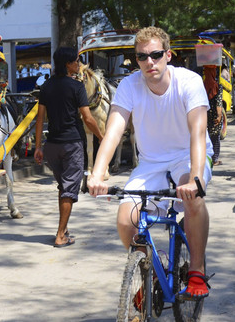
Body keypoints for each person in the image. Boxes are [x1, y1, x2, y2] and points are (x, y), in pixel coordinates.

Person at [87, 26, 213, 299]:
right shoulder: (129, 86)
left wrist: (194, 178)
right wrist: (97, 174)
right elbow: (113, 131)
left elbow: (198, 133)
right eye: (142, 57)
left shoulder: (189, 82)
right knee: (125, 220)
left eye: (155, 55)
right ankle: (150, 269)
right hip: (150, 163)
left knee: (193, 200)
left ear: (168, 55)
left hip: (187, 155)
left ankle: (196, 269)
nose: (149, 62)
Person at [34, 46, 104, 247]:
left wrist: (38, 146)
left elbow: (40, 119)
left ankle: (64, 228)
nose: (79, 65)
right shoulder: (76, 87)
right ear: (67, 64)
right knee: (68, 190)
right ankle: (60, 236)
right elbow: (88, 118)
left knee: (64, 187)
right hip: (72, 145)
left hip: (52, 146)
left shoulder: (46, 86)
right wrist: (102, 137)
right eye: (76, 61)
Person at [204, 65, 223, 165]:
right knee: (215, 137)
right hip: (215, 115)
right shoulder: (217, 86)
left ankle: (206, 158)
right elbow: (219, 103)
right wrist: (219, 116)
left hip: (204, 114)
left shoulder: (202, 85)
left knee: (205, 137)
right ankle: (214, 159)